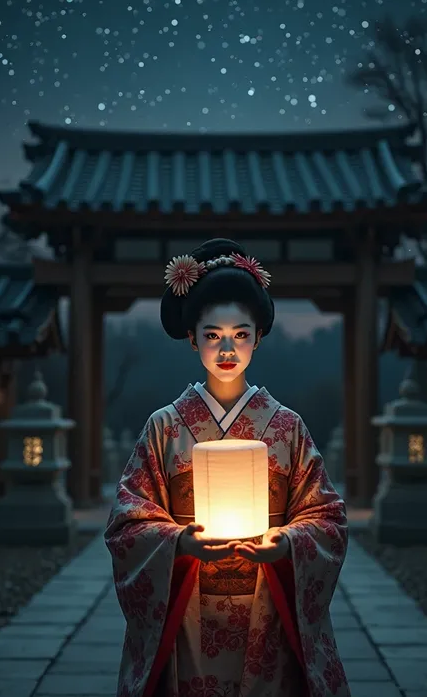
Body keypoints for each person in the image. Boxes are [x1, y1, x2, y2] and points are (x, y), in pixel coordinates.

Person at [105, 238, 350, 697]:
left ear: (258, 337)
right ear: (191, 337)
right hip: (188, 610)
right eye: (213, 334)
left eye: (240, 333)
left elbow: (328, 518)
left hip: (267, 605)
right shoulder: (165, 427)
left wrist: (289, 543)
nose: (226, 348)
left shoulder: (285, 427)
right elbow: (126, 523)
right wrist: (178, 540)